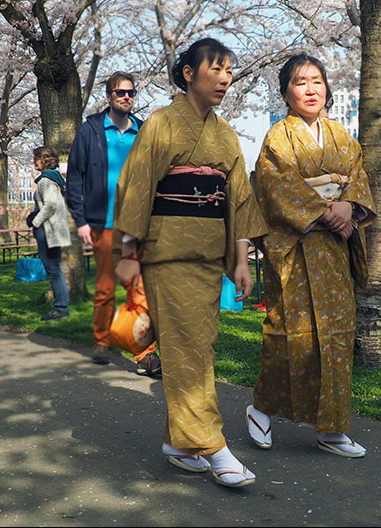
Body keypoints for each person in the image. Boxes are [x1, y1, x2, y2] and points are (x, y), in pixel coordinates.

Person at [112, 37, 267, 488]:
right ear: (188, 73)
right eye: (215, 69)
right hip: (167, 251)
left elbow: (239, 201)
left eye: (230, 71)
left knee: (197, 349)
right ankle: (214, 446)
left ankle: (178, 445)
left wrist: (241, 261)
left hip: (207, 256)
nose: (224, 78)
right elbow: (137, 186)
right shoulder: (161, 124)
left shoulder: (226, 134)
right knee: (188, 353)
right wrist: (127, 253)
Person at [246, 53, 377, 459]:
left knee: (337, 334)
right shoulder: (277, 138)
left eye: (317, 81)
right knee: (288, 333)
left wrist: (348, 207)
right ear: (286, 92)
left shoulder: (343, 138)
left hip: (334, 249)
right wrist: (324, 212)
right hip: (296, 247)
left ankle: (332, 429)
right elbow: (274, 186)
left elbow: (358, 180)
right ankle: (261, 408)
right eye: (300, 82)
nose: (310, 89)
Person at [66, 71, 160, 374]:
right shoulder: (90, 130)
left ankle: (143, 350)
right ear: (109, 97)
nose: (127, 97)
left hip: (135, 225)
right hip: (101, 223)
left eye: (131, 92)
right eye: (120, 93)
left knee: (139, 289)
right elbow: (75, 178)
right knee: (106, 287)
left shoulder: (143, 131)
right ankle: (102, 340)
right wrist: (80, 220)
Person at [30, 146, 71, 321]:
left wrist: (35, 221)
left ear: (45, 159)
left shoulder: (46, 181)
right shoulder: (55, 179)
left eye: (36, 158)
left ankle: (61, 308)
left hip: (48, 230)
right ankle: (61, 306)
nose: (34, 161)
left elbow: (50, 205)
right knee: (55, 269)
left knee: (53, 270)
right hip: (53, 229)